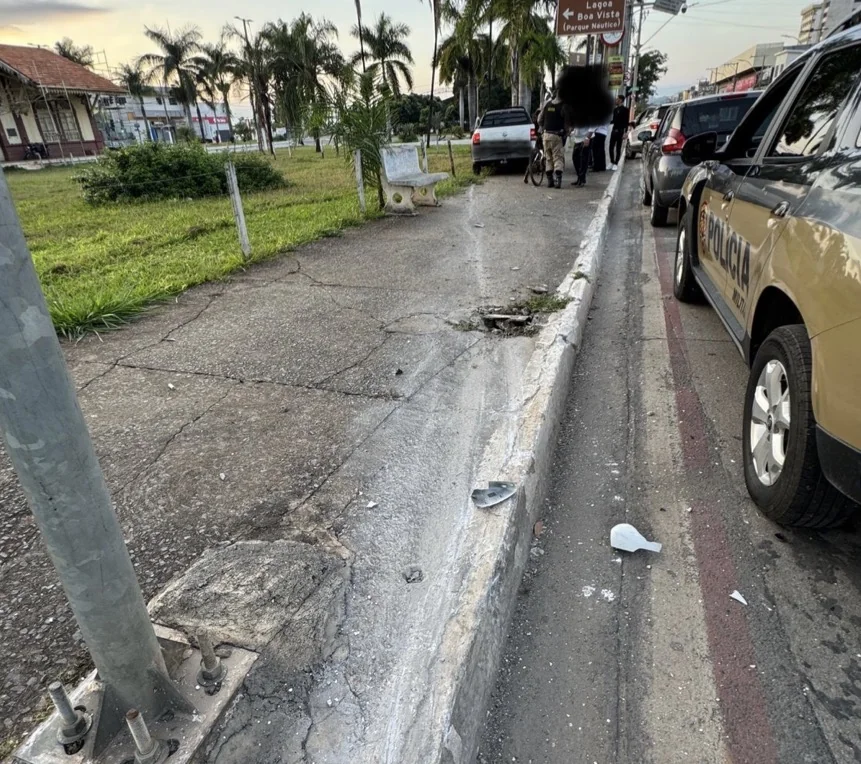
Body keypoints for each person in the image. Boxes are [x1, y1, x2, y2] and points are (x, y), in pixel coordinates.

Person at [537, 91, 569, 189]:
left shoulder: (547, 104)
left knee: (548, 158)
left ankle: (550, 181)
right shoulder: (564, 106)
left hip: (546, 135)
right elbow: (567, 122)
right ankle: (558, 181)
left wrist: (543, 127)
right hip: (557, 135)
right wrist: (566, 132)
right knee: (558, 158)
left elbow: (539, 120)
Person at [609, 95, 629, 169]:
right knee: (611, 146)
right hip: (614, 130)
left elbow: (626, 122)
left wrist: (625, 132)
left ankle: (616, 163)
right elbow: (614, 120)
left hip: (620, 131)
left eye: (617, 99)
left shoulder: (625, 110)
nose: (616, 100)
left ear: (620, 100)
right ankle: (611, 161)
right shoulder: (615, 109)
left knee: (618, 147)